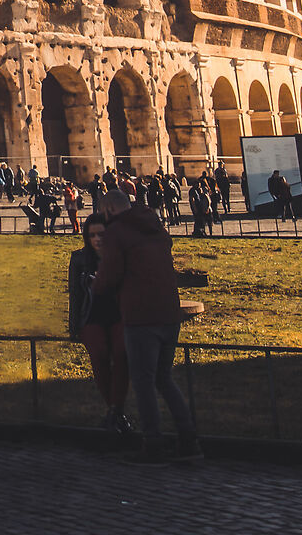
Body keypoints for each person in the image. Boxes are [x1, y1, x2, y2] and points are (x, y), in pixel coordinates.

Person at [90, 191, 199, 465]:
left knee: (143, 382)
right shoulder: (155, 226)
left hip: (141, 315)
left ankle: (153, 444)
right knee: (164, 378)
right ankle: (189, 440)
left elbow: (110, 275)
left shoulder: (117, 232)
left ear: (109, 210)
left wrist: (96, 286)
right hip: (169, 312)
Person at [67, 216, 130, 436]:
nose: (97, 239)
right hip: (92, 316)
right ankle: (116, 412)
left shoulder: (121, 256)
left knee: (122, 354)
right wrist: (74, 326)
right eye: (92, 235)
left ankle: (114, 412)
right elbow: (75, 295)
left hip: (119, 315)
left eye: (101, 234)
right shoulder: (79, 259)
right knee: (99, 354)